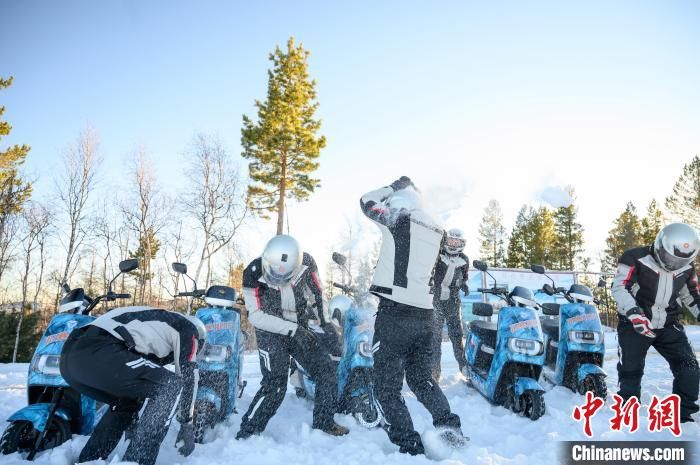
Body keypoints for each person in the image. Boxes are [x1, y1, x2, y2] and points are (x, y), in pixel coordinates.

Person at [360, 176, 464, 455]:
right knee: (422, 379)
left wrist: (394, 187)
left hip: (395, 313)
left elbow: (366, 201)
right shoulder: (437, 228)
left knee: (387, 388)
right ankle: (451, 431)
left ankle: (409, 444)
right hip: (425, 316)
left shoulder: (397, 219)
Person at [60, 308, 207, 465]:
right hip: (101, 349)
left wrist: (132, 419)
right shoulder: (188, 328)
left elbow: (140, 377)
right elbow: (188, 376)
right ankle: (138, 460)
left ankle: (90, 459)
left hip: (71, 358)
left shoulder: (153, 324)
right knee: (171, 385)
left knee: (128, 401)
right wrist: (186, 423)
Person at [236, 234, 348, 439]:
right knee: (275, 385)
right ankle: (248, 430)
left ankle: (324, 422)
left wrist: (326, 325)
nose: (278, 281)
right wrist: (293, 330)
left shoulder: (306, 264)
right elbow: (256, 316)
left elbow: (317, 295)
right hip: (270, 331)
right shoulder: (252, 272)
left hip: (300, 327)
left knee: (326, 371)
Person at [611, 222, 700, 423]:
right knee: (630, 370)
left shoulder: (686, 268)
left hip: (669, 324)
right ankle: (628, 412)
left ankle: (683, 414)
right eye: (671, 258)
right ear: (660, 245)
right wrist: (634, 313)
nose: (674, 264)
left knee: (689, 368)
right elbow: (620, 287)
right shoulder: (634, 257)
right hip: (635, 322)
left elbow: (692, 295)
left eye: (680, 261)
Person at [431, 228, 469, 381]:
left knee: (456, 334)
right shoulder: (437, 254)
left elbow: (464, 276)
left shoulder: (464, 259)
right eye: (451, 240)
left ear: (461, 243)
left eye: (456, 241)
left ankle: (464, 366)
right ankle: (434, 370)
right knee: (435, 335)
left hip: (453, 301)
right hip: (436, 299)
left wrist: (464, 285)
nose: (453, 244)